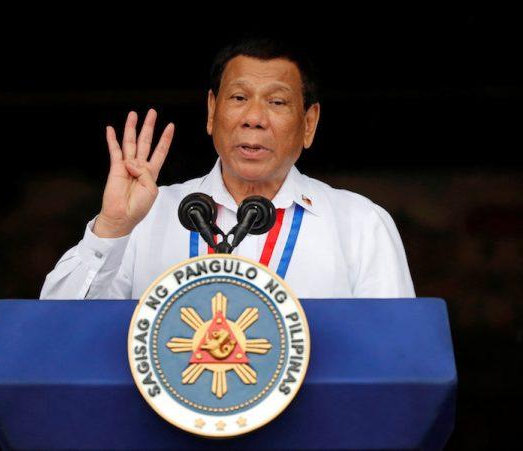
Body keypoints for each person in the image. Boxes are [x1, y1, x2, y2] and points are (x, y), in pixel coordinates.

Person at [40, 37, 415, 300]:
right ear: (211, 111)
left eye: (277, 102)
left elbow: (397, 361)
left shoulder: (361, 224)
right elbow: (56, 334)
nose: (254, 118)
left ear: (309, 123)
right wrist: (112, 229)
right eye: (238, 98)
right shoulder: (149, 214)